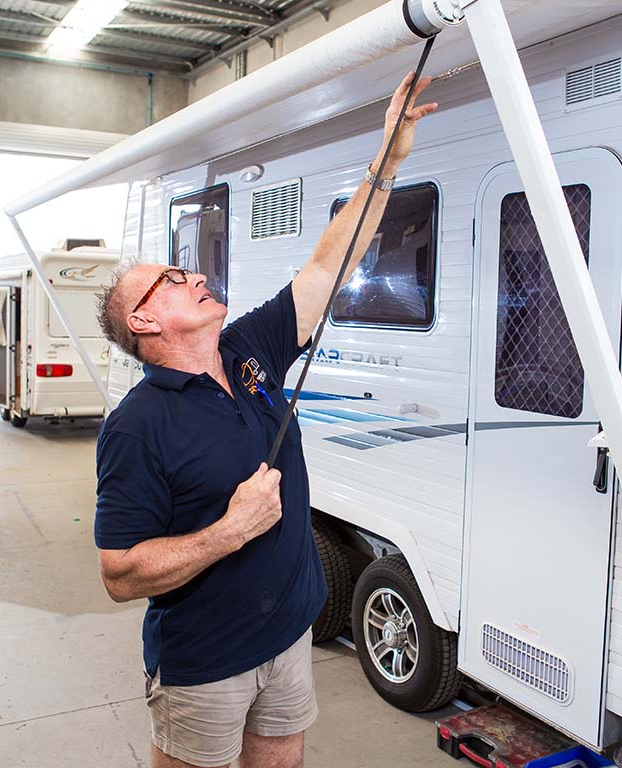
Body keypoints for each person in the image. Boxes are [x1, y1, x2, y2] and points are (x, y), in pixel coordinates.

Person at [94, 72, 437, 768]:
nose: (192, 275)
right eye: (170, 279)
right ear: (144, 321)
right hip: (205, 661)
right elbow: (121, 574)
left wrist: (389, 160)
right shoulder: (137, 425)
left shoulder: (249, 348)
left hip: (288, 635)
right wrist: (229, 531)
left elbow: (326, 267)